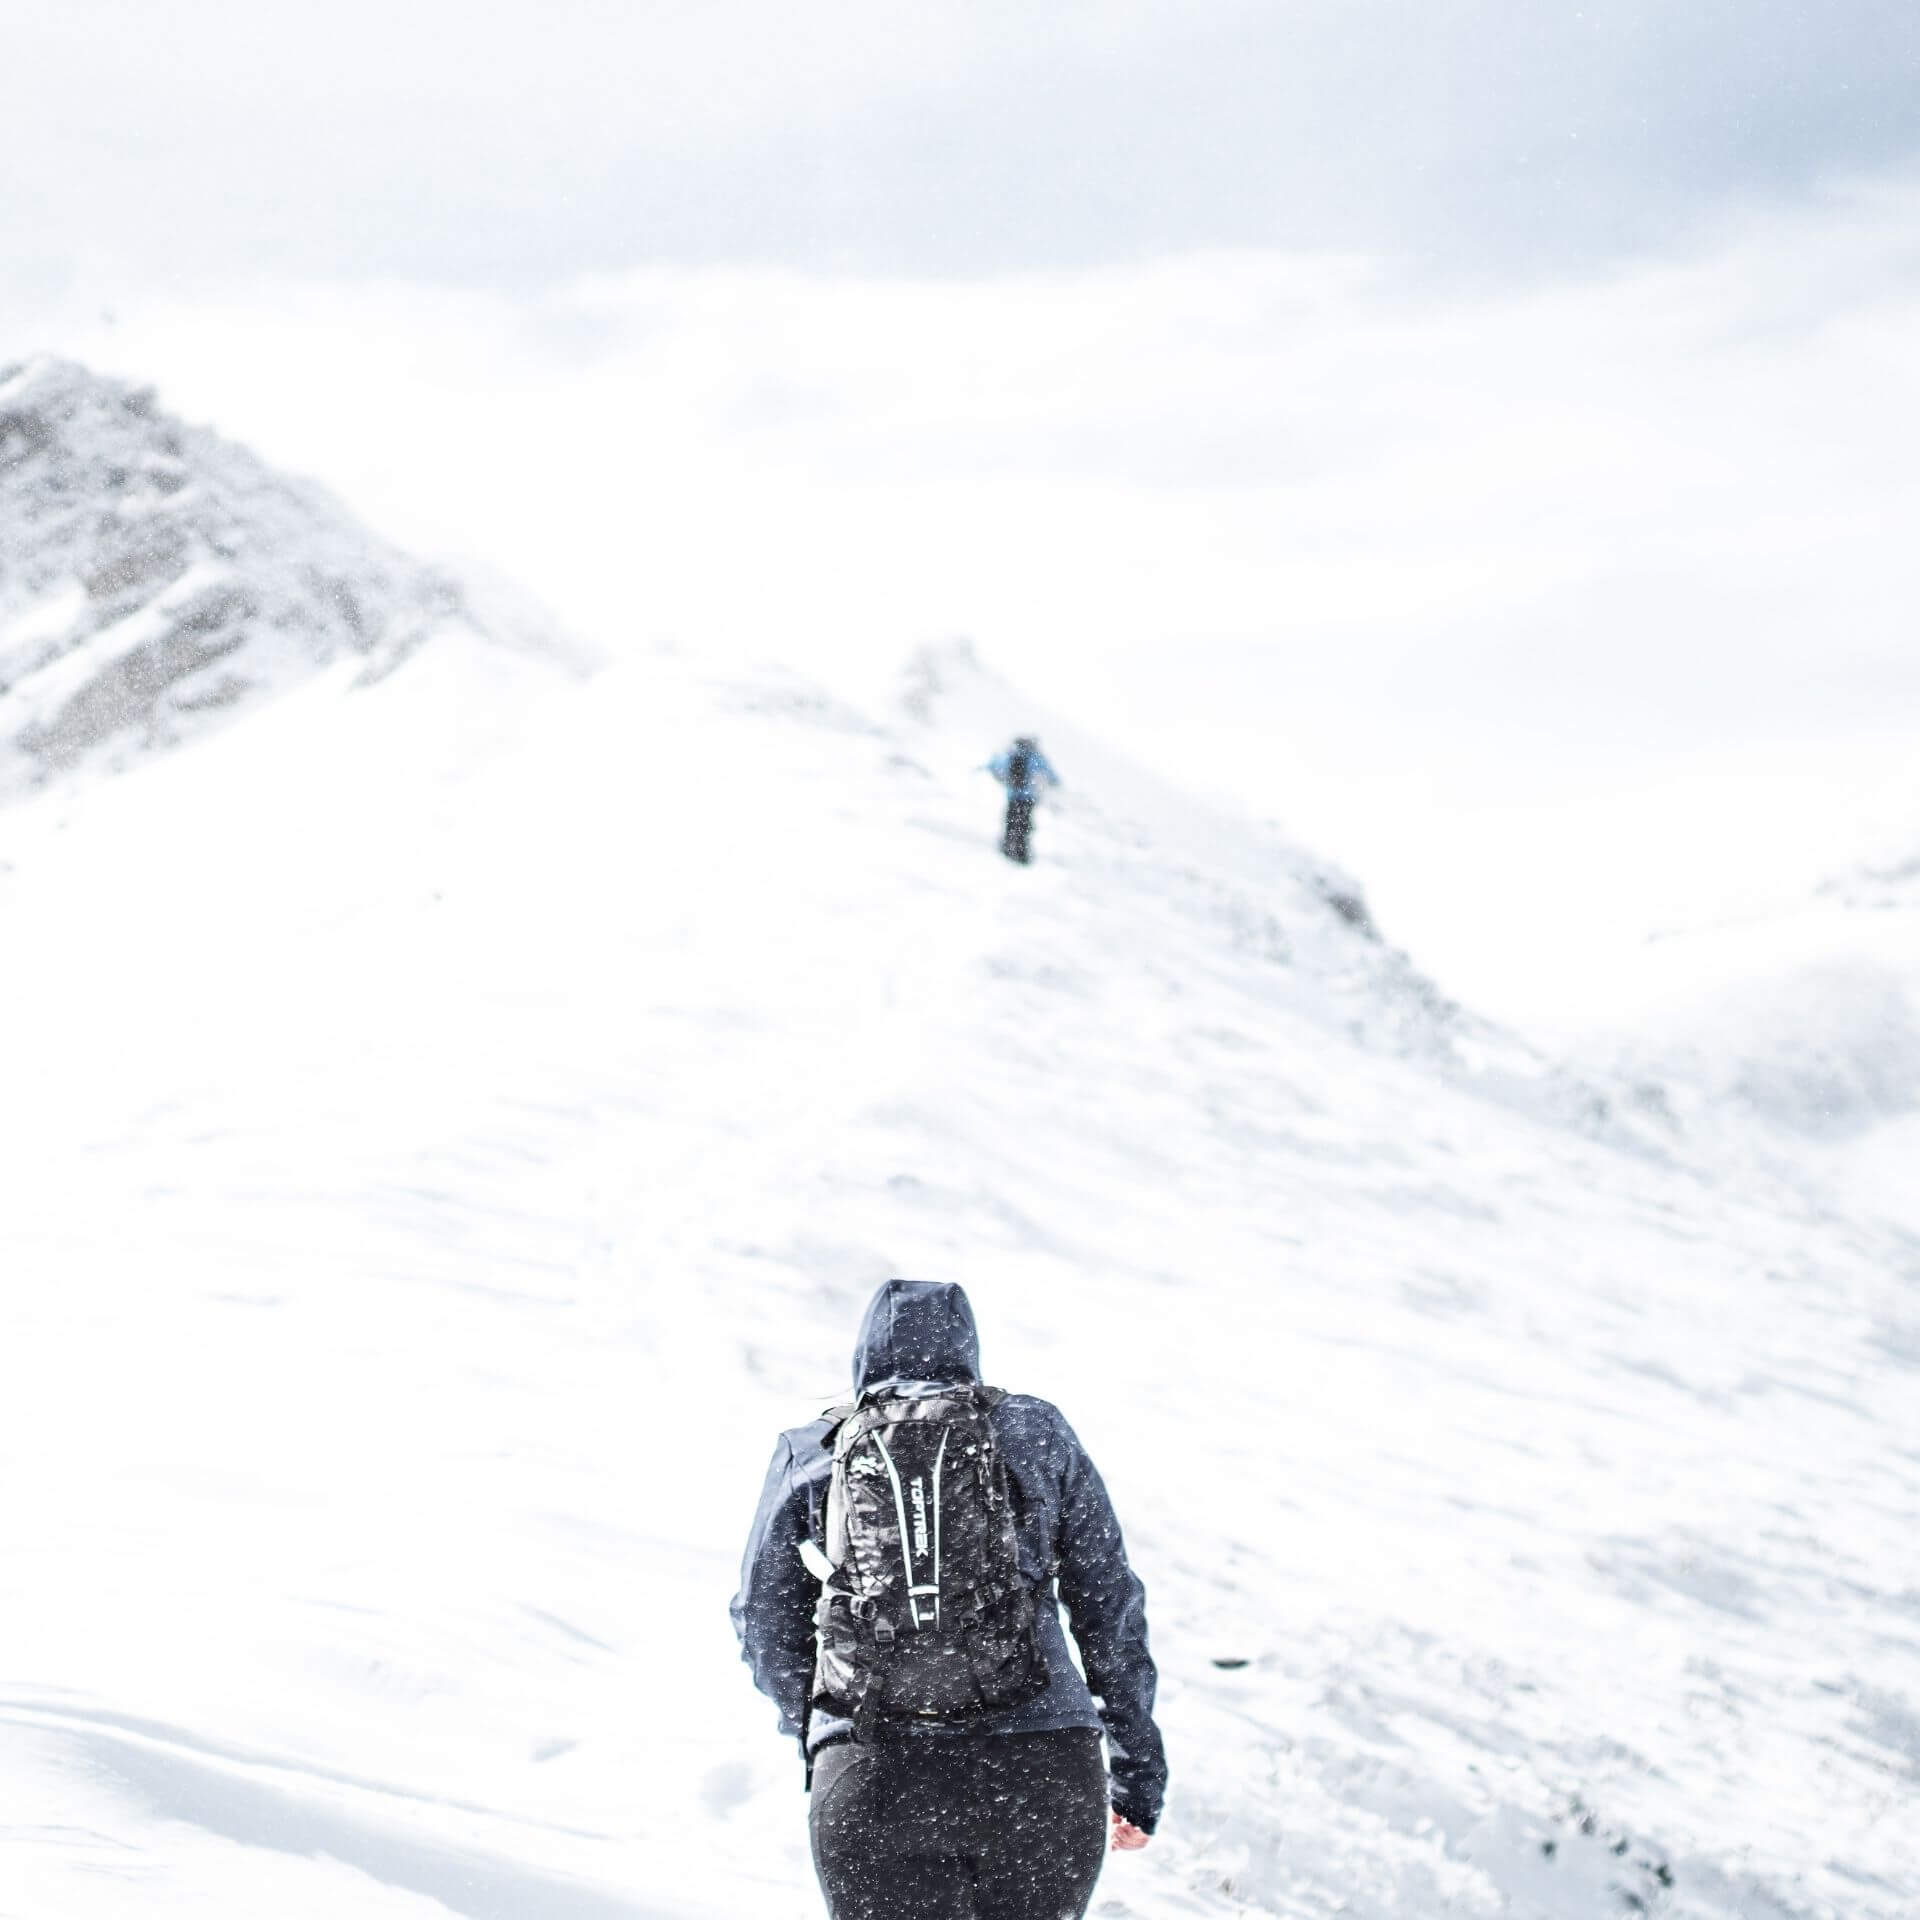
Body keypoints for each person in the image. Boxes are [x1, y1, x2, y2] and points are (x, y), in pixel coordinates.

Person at [732, 1278, 1166, 1920]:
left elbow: (764, 1619)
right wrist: (1136, 1774)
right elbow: (1109, 1608)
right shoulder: (1034, 1430)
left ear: (865, 1359)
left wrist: (822, 1732)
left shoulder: (815, 1450)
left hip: (874, 1769)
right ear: (968, 1351)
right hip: (1041, 1770)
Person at [986, 736, 1061, 865]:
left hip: (1013, 796)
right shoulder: (1034, 757)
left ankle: (1007, 849)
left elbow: (995, 765)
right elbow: (1050, 774)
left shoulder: (1011, 755)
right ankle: (1022, 854)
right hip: (1028, 798)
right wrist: (1054, 781)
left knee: (1011, 822)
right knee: (1023, 824)